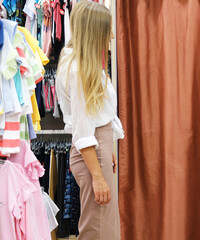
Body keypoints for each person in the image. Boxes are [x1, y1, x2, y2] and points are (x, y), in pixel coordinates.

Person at [56, 1, 124, 239]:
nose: (112, 36)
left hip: (96, 147)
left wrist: (107, 148)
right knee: (99, 229)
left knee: (102, 225)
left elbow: (94, 115)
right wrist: (98, 175)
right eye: (108, 30)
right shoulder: (80, 70)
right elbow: (83, 128)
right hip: (92, 148)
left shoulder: (74, 60)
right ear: (95, 32)